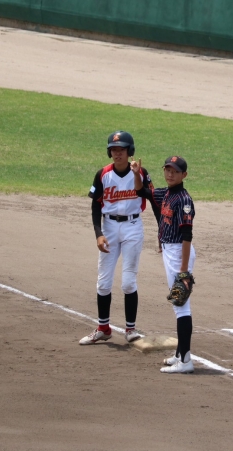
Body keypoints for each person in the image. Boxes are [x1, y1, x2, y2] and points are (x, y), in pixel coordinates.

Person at [79, 131, 153, 345]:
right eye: (113, 149)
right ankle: (103, 329)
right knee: (103, 283)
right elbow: (95, 205)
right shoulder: (103, 174)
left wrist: (162, 231)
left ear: (130, 151)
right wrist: (98, 234)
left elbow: (152, 197)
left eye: (121, 149)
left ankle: (131, 329)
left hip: (132, 227)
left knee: (128, 282)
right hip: (109, 227)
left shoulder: (141, 172)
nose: (117, 153)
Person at [132, 155, 196, 374]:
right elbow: (142, 192)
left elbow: (187, 236)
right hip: (171, 252)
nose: (170, 174)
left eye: (175, 171)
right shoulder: (166, 193)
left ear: (184, 175)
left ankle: (185, 361)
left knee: (181, 307)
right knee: (178, 305)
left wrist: (184, 270)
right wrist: (136, 174)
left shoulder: (184, 201)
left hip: (179, 253)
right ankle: (179, 354)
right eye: (167, 170)